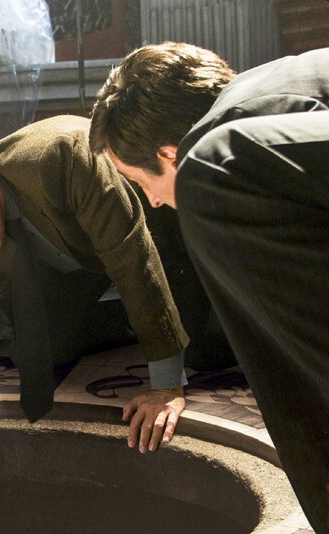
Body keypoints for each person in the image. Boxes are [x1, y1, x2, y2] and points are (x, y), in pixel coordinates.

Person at [89, 42, 329, 533]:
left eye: (141, 183)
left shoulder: (217, 162)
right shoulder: (287, 86)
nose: (155, 203)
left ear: (168, 154)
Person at [0, 115, 193, 455]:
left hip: (173, 242)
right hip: (88, 273)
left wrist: (166, 387)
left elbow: (133, 261)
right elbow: (16, 307)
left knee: (202, 350)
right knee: (43, 349)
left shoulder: (63, 157)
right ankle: (128, 322)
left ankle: (150, 325)